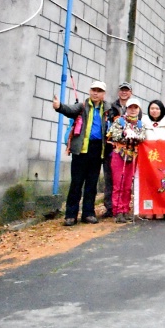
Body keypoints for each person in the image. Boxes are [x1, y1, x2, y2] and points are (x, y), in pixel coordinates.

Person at [53, 81, 110, 226]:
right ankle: (71, 215)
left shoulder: (108, 109)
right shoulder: (82, 106)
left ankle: (88, 213)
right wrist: (59, 106)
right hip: (81, 150)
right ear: (90, 91)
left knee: (92, 184)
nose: (95, 93)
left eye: (99, 91)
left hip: (98, 150)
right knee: (76, 183)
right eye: (93, 90)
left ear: (103, 94)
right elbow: (70, 110)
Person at [106, 98, 146, 223]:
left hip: (133, 156)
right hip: (119, 155)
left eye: (135, 108)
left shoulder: (140, 124)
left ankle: (125, 209)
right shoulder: (119, 121)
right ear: (126, 109)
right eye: (130, 108)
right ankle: (117, 210)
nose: (133, 110)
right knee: (119, 183)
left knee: (128, 184)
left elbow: (143, 137)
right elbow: (113, 135)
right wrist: (124, 134)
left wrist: (135, 136)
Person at [101, 82, 137, 218]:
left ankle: (124, 208)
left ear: (131, 92)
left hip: (130, 153)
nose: (124, 92)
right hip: (112, 150)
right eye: (122, 90)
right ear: (118, 92)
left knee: (126, 182)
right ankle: (111, 208)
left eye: (127, 90)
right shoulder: (111, 108)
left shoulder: (136, 110)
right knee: (111, 179)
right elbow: (108, 129)